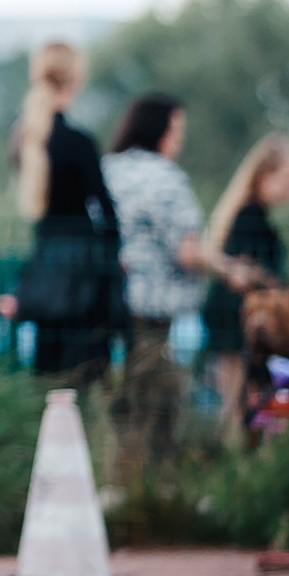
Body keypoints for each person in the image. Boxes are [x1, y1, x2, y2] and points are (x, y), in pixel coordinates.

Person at [102, 93, 212, 481]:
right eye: (176, 130)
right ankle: (144, 484)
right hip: (150, 305)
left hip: (107, 300)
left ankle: (125, 481)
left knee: (123, 395)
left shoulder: (108, 169)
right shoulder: (162, 177)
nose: (179, 140)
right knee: (156, 397)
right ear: (158, 129)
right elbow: (187, 249)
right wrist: (230, 268)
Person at [5, 41, 118, 380]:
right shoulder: (79, 141)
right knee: (85, 366)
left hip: (45, 261)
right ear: (76, 80)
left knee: (47, 362)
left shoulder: (25, 138)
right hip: (82, 269)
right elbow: (105, 209)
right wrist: (113, 253)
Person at [199, 132, 289, 434]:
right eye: (288, 178)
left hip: (235, 322)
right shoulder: (250, 218)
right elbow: (244, 274)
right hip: (237, 323)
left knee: (239, 404)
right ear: (265, 175)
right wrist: (274, 285)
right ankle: (235, 459)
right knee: (236, 405)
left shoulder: (251, 215)